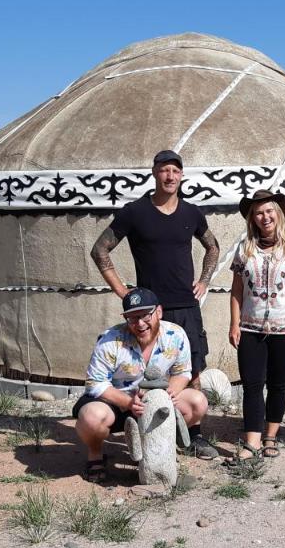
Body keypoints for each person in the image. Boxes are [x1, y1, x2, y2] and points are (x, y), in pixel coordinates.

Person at [90, 149, 220, 459]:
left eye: (175, 170)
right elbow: (100, 249)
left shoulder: (192, 213)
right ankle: (145, 429)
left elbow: (212, 247)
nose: (170, 176)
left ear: (182, 175)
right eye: (164, 170)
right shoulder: (135, 212)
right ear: (154, 173)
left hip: (186, 306)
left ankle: (193, 435)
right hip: (149, 310)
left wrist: (204, 280)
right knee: (141, 371)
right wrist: (124, 292)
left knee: (194, 371)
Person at [73, 288, 208, 482]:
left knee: (198, 402)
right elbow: (95, 383)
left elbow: (182, 372)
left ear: (159, 312)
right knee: (91, 418)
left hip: (154, 401)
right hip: (117, 403)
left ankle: (156, 448)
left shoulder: (175, 335)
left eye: (145, 315)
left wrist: (170, 393)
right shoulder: (110, 339)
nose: (140, 324)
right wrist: (128, 402)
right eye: (132, 318)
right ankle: (95, 454)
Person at [228, 189, 285, 459]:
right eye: (259, 213)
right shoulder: (244, 248)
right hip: (250, 326)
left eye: (269, 211)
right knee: (251, 383)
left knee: (278, 383)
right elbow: (237, 290)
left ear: (279, 214)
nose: (265, 217)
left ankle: (271, 436)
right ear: (253, 218)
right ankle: (252, 440)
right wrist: (234, 323)